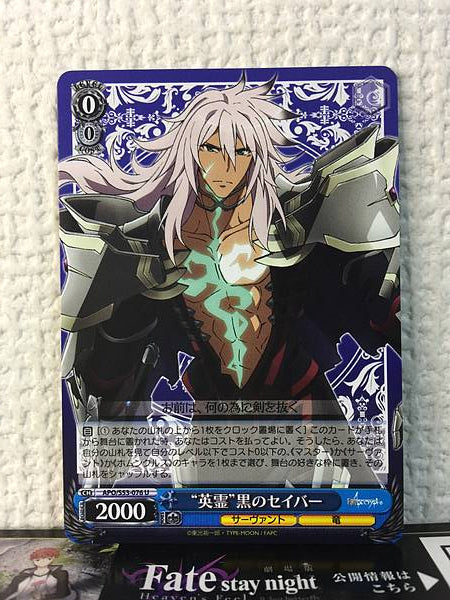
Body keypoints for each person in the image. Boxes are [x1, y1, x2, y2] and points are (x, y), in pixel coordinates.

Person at [59, 75, 399, 487]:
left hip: (304, 411)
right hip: (213, 426)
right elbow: (104, 373)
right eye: (212, 148)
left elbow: (385, 298)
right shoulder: (152, 244)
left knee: (362, 501)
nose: (227, 167)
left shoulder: (295, 224)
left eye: (241, 151)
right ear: (189, 152)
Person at [0, 548, 75, 600]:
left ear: (52, 558)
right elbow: (8, 591)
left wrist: (43, 597)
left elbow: (64, 592)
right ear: (33, 560)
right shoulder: (22, 577)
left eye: (47, 558)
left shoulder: (60, 574)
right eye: (38, 559)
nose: (42, 561)